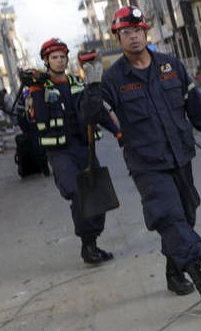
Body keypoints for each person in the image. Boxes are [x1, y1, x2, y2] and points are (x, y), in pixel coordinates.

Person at [79, 5, 201, 308]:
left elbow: (193, 103)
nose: (133, 37)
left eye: (137, 30)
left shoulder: (171, 65)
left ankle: (174, 272)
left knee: (186, 216)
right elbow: (91, 116)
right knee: (168, 216)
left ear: (146, 32)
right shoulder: (113, 78)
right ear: (118, 38)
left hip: (180, 156)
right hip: (147, 164)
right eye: (126, 32)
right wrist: (91, 86)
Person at [29, 39, 120, 264]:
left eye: (62, 56)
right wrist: (35, 90)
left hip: (83, 146)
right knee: (78, 193)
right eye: (54, 57)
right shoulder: (39, 87)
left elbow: (96, 109)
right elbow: (37, 118)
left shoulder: (78, 82)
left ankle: (92, 243)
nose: (60, 61)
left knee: (98, 195)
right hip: (60, 152)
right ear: (46, 61)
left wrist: (117, 132)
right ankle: (87, 245)